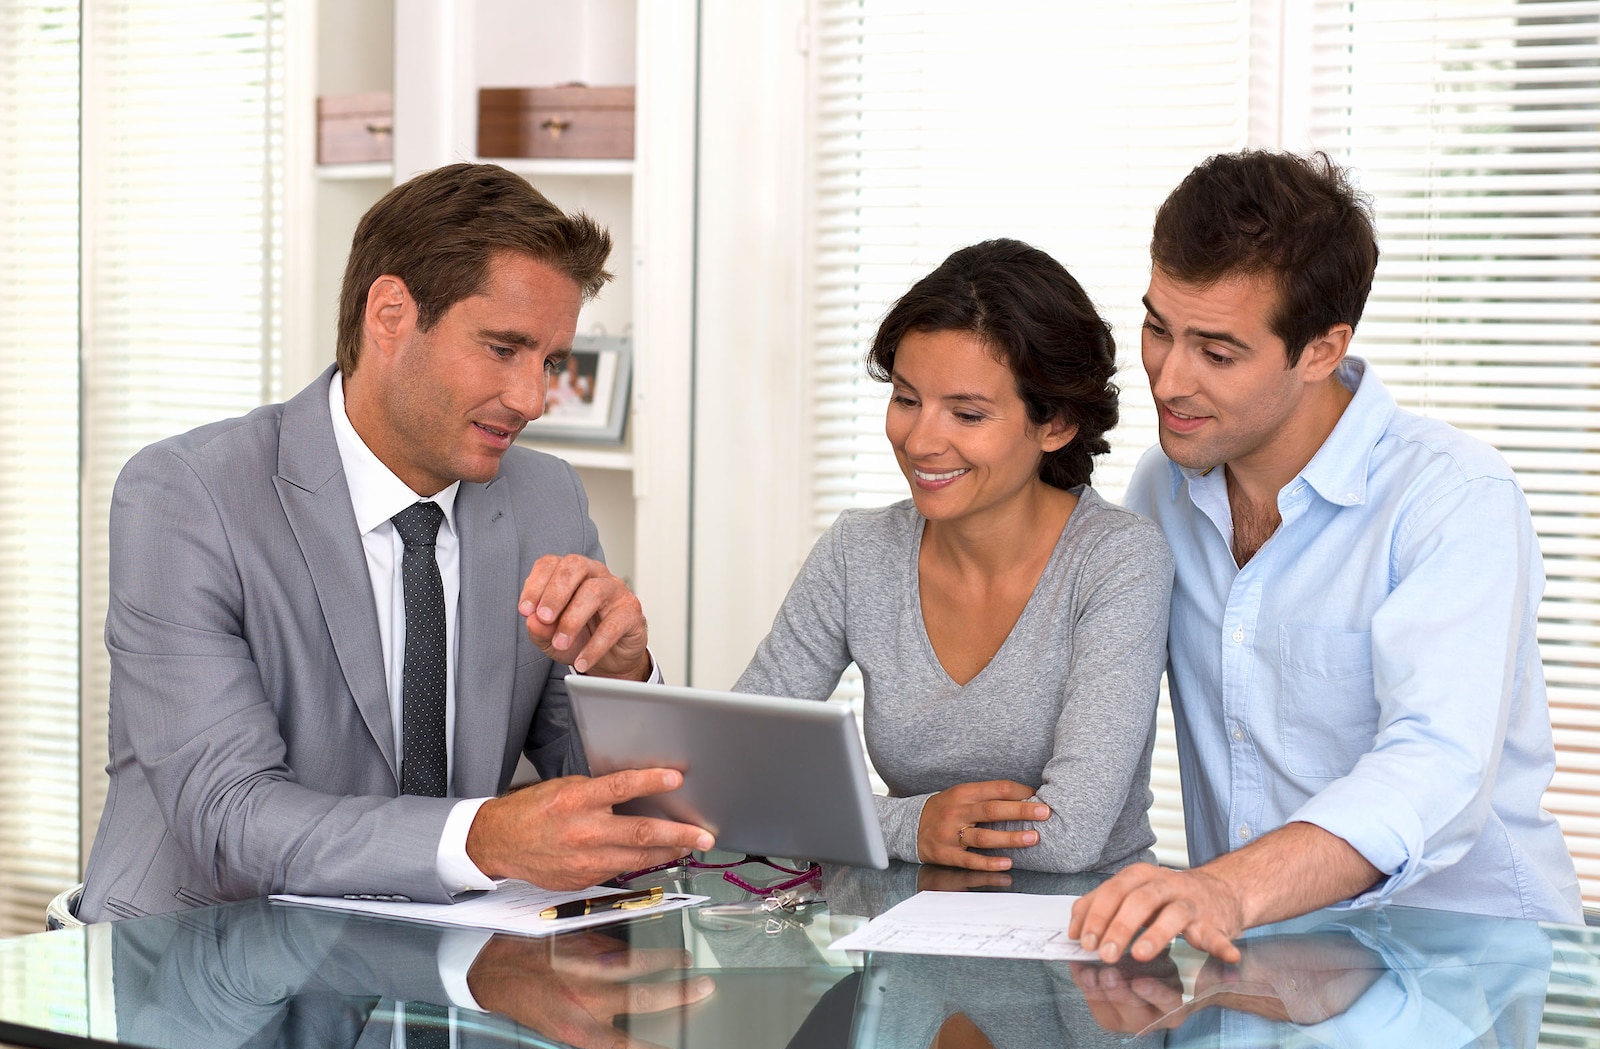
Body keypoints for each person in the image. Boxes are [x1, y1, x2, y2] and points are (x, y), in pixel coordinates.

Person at [78, 163, 714, 923]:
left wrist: (624, 676)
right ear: (389, 314)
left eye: (549, 362)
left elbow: (615, 810)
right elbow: (229, 818)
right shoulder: (188, 497)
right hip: (203, 959)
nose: (533, 399)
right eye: (503, 349)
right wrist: (484, 838)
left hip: (443, 967)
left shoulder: (548, 499)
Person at [1069, 150, 1583, 965]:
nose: (1168, 380)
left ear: (1321, 349)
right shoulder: (1161, 488)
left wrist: (1229, 887)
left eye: (1217, 352)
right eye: (1159, 329)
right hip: (1260, 965)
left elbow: (1433, 762)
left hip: (1460, 970)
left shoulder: (1451, 498)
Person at [736, 238, 1174, 875]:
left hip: (1080, 922)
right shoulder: (858, 553)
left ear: (1055, 424)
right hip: (899, 919)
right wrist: (909, 826)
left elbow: (1068, 836)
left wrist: (876, 822)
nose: (920, 440)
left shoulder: (1117, 560)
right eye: (907, 399)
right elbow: (740, 770)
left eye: (967, 414)